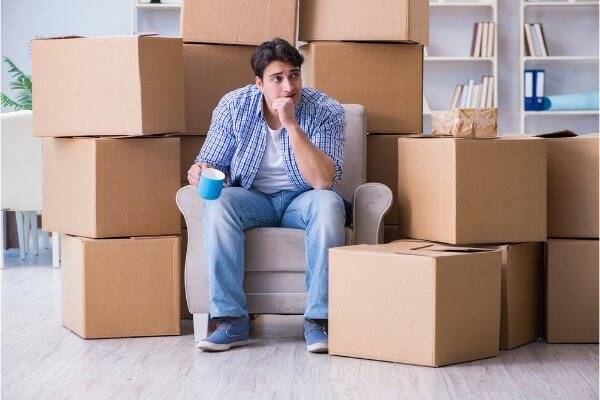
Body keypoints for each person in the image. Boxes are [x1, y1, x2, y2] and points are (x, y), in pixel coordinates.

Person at [187, 37, 346, 353]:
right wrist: (199, 171)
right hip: (253, 198)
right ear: (259, 83)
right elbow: (212, 163)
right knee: (216, 201)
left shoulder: (326, 110)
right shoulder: (234, 107)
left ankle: (318, 321)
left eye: (294, 75)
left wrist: (290, 124)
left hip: (302, 199)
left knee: (329, 204)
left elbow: (323, 181)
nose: (288, 86)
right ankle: (232, 322)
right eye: (277, 78)